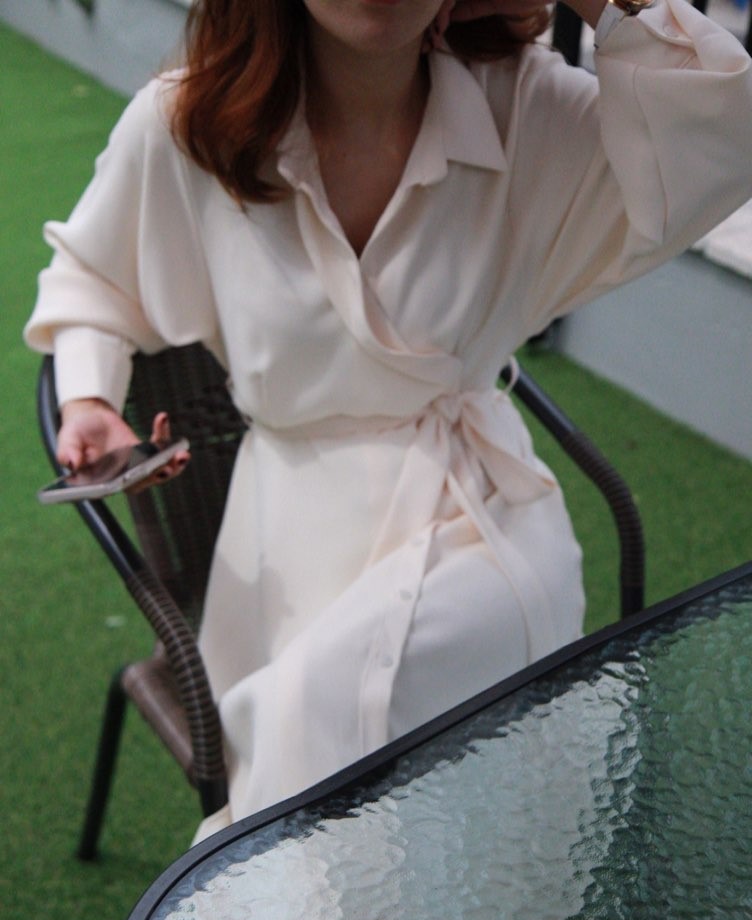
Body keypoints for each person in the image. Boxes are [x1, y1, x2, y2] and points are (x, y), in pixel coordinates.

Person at [25, 0, 752, 842]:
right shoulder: (190, 121)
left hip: (482, 517)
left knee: (362, 745)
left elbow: (725, 135)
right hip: (293, 542)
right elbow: (94, 276)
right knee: (330, 739)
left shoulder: (523, 110)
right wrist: (89, 397)